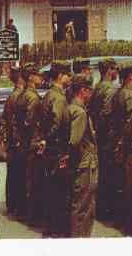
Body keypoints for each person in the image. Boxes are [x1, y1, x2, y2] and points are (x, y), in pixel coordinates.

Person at [107, 61, 132, 235]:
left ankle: (123, 221)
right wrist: (123, 147)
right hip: (131, 149)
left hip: (121, 147)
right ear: (131, 76)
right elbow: (130, 126)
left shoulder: (117, 94)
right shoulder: (131, 97)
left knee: (123, 186)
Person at [36, 60, 73, 237]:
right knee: (60, 193)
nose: (70, 78)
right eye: (67, 75)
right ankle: (57, 231)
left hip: (50, 150)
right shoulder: (58, 97)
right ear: (60, 76)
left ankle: (51, 229)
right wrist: (49, 141)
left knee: (51, 190)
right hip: (57, 150)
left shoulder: (49, 95)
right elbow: (57, 124)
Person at [67, 75, 98, 237]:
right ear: (83, 91)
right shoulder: (80, 113)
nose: (91, 94)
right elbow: (74, 142)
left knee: (78, 206)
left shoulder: (70, 108)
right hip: (84, 165)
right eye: (89, 90)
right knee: (84, 208)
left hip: (79, 165)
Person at [91, 57, 118, 221]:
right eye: (114, 69)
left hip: (100, 138)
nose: (116, 73)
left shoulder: (97, 87)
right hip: (107, 137)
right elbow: (106, 115)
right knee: (110, 176)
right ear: (109, 70)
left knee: (103, 175)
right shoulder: (109, 89)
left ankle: (102, 208)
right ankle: (107, 211)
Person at [18, 63, 45, 225]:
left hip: (25, 142)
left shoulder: (23, 94)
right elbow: (30, 123)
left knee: (28, 180)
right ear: (31, 77)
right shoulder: (33, 97)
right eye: (37, 74)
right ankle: (33, 217)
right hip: (32, 144)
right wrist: (38, 142)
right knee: (34, 181)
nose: (40, 77)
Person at [2, 65, 25, 217]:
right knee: (18, 174)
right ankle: (17, 207)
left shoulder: (12, 95)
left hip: (12, 141)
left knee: (13, 174)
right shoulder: (18, 96)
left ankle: (12, 205)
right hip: (17, 142)